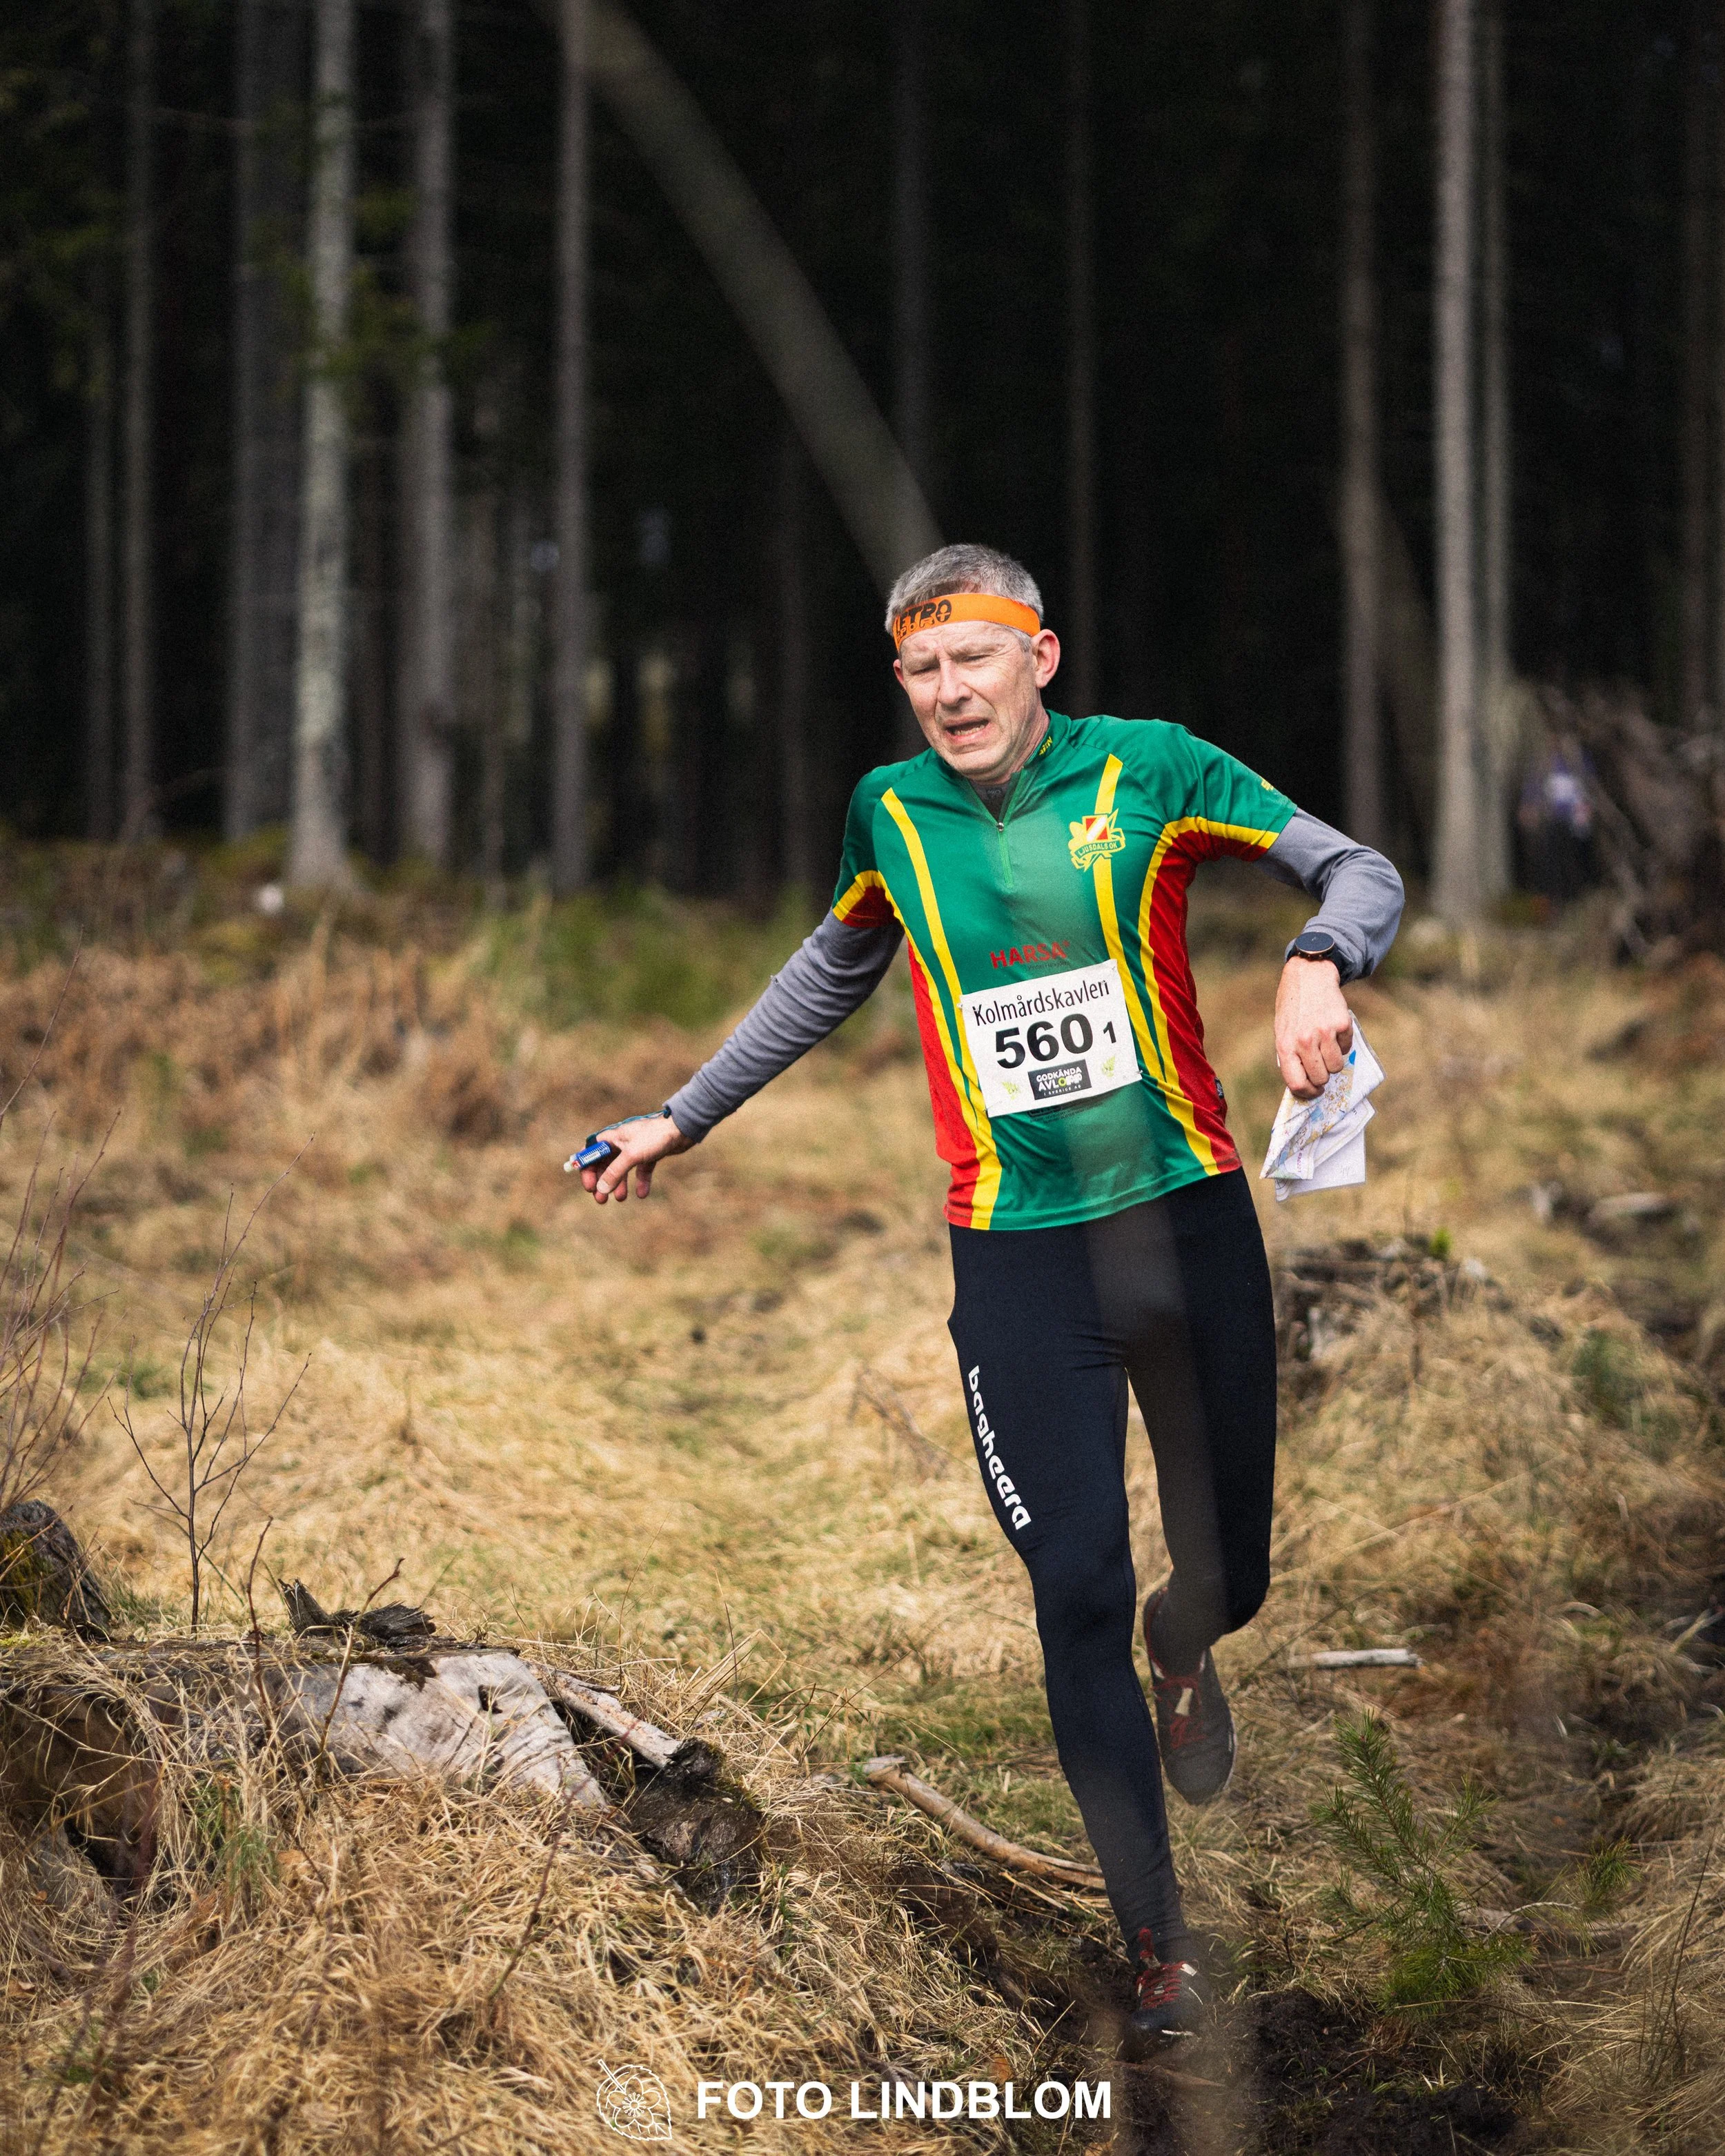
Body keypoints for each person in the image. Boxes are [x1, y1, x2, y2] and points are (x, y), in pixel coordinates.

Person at [575, 544, 1403, 2044]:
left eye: (974, 657)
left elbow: (1359, 868)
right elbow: (828, 970)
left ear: (1041, 656)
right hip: (1017, 1253)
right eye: (920, 669)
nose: (949, 691)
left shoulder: (1150, 769)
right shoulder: (890, 813)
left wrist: (1314, 961)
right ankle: (1158, 1946)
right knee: (1072, 1587)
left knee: (1230, 1573)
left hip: (1185, 1221)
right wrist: (682, 1117)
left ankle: (1185, 1642)